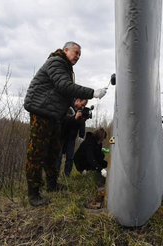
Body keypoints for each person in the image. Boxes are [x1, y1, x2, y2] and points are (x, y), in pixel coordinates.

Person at [24, 41, 107, 207]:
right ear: (66, 50)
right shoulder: (56, 62)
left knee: (53, 152)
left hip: (54, 115)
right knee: (37, 153)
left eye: (79, 55)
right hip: (41, 112)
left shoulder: (66, 69)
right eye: (75, 53)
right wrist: (92, 93)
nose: (77, 57)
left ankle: (52, 185)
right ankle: (33, 194)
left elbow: (62, 93)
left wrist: (74, 105)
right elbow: (64, 86)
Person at [56, 98, 88, 177]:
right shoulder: (67, 106)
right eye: (82, 104)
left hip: (72, 136)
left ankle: (67, 175)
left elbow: (80, 125)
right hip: (61, 135)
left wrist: (81, 134)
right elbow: (63, 121)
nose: (83, 107)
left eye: (84, 106)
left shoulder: (80, 111)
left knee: (70, 157)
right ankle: (55, 175)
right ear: (77, 100)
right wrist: (74, 117)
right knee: (58, 156)